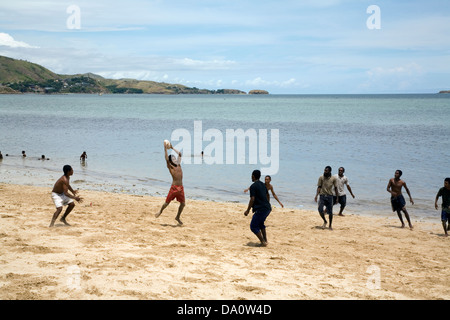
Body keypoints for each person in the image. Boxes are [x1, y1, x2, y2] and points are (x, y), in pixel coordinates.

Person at [155, 143, 185, 225]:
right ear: (171, 161)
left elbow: (180, 154)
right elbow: (166, 159)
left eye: (175, 158)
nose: (175, 159)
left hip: (181, 188)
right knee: (167, 203)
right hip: (174, 188)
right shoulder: (171, 167)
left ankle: (177, 217)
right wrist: (165, 149)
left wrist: (172, 147)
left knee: (183, 204)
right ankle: (160, 211)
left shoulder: (179, 165)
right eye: (173, 159)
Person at [244, 170, 272, 247]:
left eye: (251, 176)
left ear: (253, 176)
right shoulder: (263, 185)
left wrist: (247, 210)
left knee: (253, 226)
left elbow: (252, 199)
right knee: (260, 223)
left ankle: (263, 242)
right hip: (268, 208)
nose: (251, 177)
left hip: (261, 209)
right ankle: (265, 240)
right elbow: (268, 195)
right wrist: (267, 203)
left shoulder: (253, 186)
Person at [314, 166, 339, 230]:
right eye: (324, 170)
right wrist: (316, 195)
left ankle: (330, 225)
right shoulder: (321, 177)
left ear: (330, 171)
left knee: (330, 212)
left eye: (326, 171)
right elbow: (319, 187)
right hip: (322, 196)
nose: (325, 171)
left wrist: (337, 198)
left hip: (330, 196)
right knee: (320, 209)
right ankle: (325, 221)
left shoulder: (333, 178)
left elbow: (336, 188)